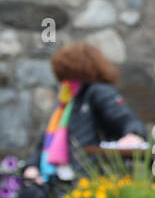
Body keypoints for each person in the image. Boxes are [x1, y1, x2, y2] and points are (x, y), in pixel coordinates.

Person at [33, 42, 147, 180]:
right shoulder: (67, 100)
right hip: (62, 178)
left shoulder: (98, 92)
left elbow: (124, 118)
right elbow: (46, 140)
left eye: (66, 72)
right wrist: (31, 166)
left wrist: (134, 134)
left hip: (92, 176)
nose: (64, 81)